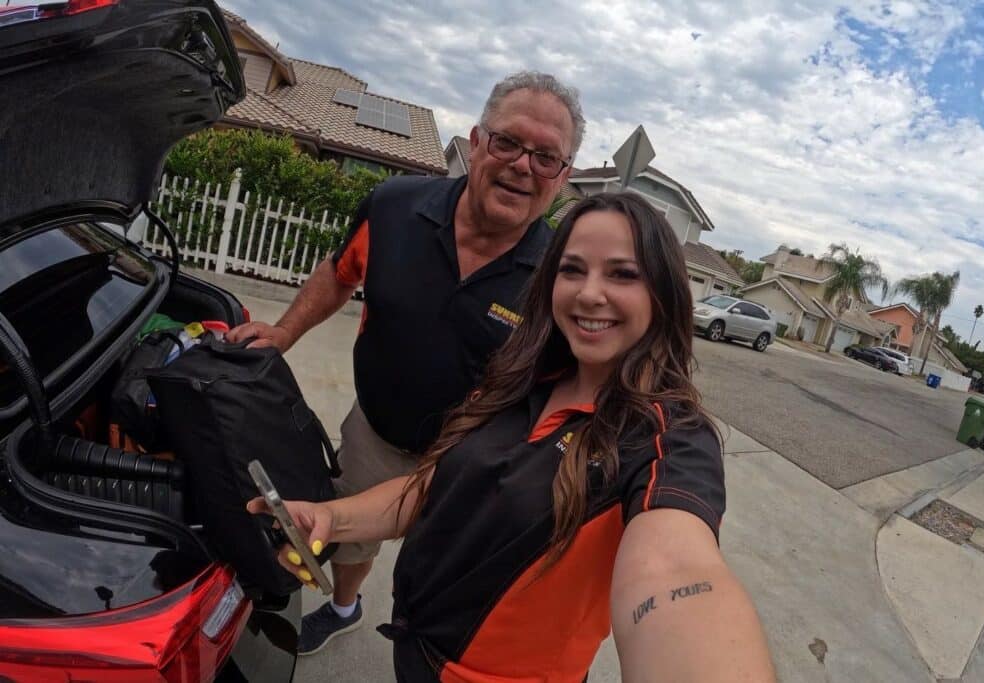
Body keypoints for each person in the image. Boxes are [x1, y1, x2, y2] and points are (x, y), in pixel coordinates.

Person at [249, 193, 776, 682]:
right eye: (572, 269)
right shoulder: (519, 382)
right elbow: (433, 489)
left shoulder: (667, 437)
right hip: (416, 653)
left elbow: (675, 572)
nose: (591, 293)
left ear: (662, 295)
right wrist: (332, 519)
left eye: (623, 274)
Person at [227, 71, 586, 655]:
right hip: (378, 433)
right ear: (476, 142)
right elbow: (340, 271)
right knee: (347, 541)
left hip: (470, 471)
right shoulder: (394, 208)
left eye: (547, 157)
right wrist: (286, 330)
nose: (523, 166)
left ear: (563, 178)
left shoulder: (563, 280)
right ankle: (345, 606)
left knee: (441, 576)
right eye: (509, 143)